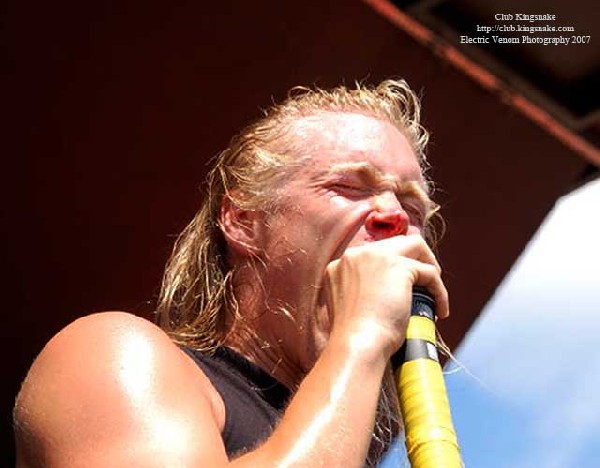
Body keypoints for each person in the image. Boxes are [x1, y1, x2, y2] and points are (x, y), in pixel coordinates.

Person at [13, 79, 449, 467]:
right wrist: (361, 339)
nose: (393, 216)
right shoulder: (113, 354)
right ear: (243, 221)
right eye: (349, 187)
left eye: (413, 209)